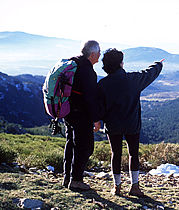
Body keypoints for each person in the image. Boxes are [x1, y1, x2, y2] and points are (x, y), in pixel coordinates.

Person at [96, 48, 163, 196]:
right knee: (133, 153)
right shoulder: (133, 79)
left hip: (112, 124)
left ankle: (117, 187)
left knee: (116, 153)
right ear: (121, 64)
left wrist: (96, 121)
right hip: (132, 123)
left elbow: (99, 108)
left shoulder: (103, 84)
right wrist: (158, 64)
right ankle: (135, 186)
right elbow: (149, 73)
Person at [63, 40, 101, 191]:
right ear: (92, 54)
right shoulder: (88, 71)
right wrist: (96, 119)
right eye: (99, 52)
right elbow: (90, 98)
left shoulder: (73, 64)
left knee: (71, 144)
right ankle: (76, 180)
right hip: (81, 114)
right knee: (85, 147)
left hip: (68, 111)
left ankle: (67, 178)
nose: (100, 55)